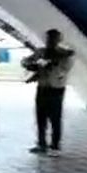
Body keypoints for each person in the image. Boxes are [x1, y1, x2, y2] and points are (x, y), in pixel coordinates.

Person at [22, 29, 74, 157]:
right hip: (42, 88)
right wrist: (31, 65)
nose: (50, 41)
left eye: (53, 38)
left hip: (56, 89)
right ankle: (41, 144)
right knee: (40, 117)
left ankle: (55, 146)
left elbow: (61, 72)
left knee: (55, 118)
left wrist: (49, 65)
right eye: (48, 38)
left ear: (59, 40)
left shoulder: (65, 55)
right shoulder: (41, 52)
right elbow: (25, 61)